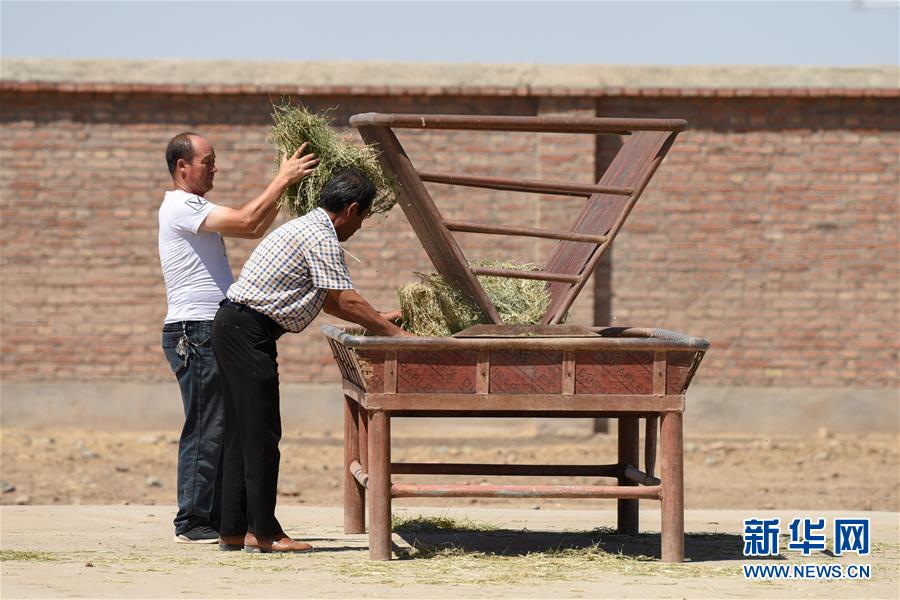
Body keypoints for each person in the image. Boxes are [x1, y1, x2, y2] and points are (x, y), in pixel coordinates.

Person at [213, 168, 411, 553]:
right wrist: (397, 336)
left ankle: (233, 529)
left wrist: (376, 318)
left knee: (242, 432)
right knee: (261, 434)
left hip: (235, 328)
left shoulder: (308, 227)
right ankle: (264, 533)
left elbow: (332, 300)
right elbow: (345, 299)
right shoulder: (321, 237)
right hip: (245, 332)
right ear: (351, 210)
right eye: (363, 217)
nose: (359, 227)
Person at [159, 132, 317, 543]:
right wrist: (282, 179)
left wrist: (287, 186)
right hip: (195, 330)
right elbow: (248, 222)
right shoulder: (181, 206)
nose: (215, 168)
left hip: (208, 328)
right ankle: (192, 520)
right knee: (207, 425)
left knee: (225, 424)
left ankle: (220, 519)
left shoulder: (193, 207)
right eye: (208, 161)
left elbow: (256, 225)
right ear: (183, 167)